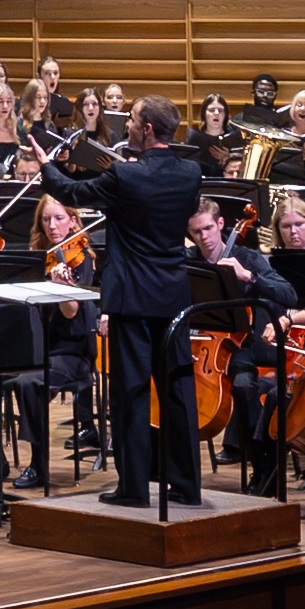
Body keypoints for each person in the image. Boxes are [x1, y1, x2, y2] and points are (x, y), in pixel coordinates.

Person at [69, 101, 209, 507]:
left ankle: (133, 488)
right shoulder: (190, 172)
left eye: (130, 120)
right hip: (173, 296)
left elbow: (72, 192)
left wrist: (49, 166)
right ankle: (187, 486)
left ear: (146, 129)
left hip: (132, 297)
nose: (126, 125)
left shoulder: (124, 175)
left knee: (130, 393)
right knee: (177, 392)